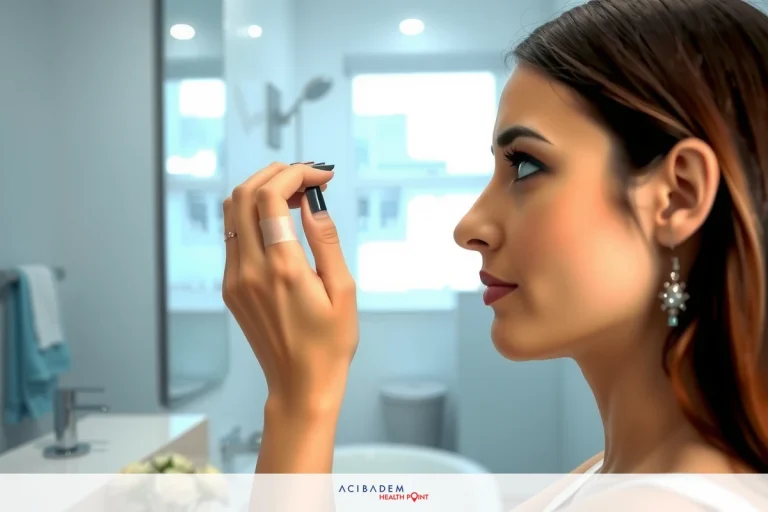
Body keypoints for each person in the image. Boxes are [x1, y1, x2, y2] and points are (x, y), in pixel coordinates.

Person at [222, 0, 768, 508]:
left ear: (679, 196)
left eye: (526, 165)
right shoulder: (611, 471)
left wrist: (301, 401)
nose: (468, 228)